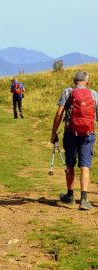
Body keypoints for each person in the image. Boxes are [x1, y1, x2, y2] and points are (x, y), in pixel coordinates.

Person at [51, 71, 98, 210]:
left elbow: (59, 114)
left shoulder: (67, 92)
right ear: (87, 82)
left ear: (74, 81)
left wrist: (53, 133)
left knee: (70, 164)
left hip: (70, 134)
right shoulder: (94, 94)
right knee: (85, 166)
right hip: (88, 135)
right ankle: (84, 200)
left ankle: (70, 196)